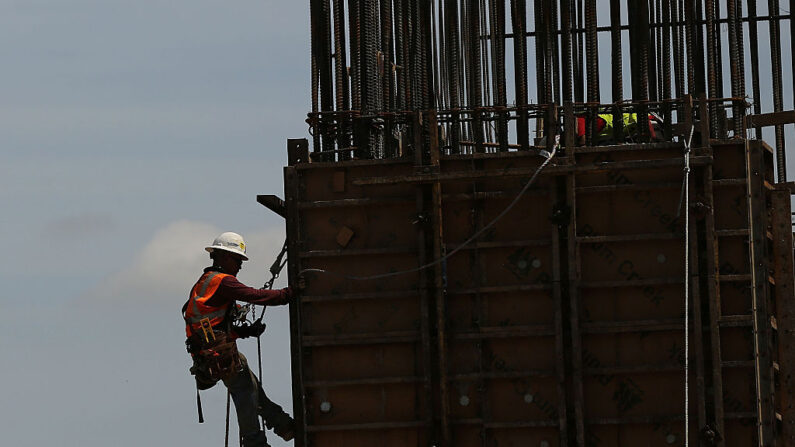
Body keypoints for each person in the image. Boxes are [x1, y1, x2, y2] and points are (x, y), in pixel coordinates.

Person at [182, 232, 295, 447]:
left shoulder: (205, 282)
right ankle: (255, 442)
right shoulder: (223, 282)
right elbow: (254, 295)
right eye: (237, 260)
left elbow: (213, 329)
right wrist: (287, 295)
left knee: (252, 388)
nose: (240, 266)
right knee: (244, 392)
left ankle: (283, 425)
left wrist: (245, 332)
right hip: (218, 354)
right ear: (223, 257)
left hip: (214, 351)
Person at [575, 112, 664, 145]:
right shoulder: (583, 122)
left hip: (647, 124)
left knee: (658, 141)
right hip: (624, 131)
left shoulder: (580, 121)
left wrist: (653, 140)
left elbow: (583, 141)